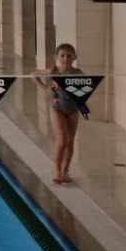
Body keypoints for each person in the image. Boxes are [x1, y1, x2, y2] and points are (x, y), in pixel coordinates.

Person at [37, 43, 85, 185]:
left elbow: (84, 90)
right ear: (56, 57)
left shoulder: (78, 73)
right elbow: (34, 74)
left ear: (74, 57)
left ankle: (65, 171)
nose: (65, 59)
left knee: (70, 142)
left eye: (69, 56)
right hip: (57, 108)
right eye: (62, 56)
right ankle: (57, 171)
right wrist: (45, 87)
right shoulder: (53, 71)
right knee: (62, 141)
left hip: (73, 110)